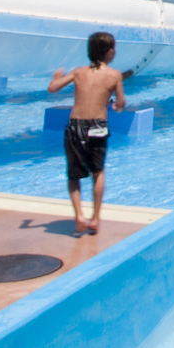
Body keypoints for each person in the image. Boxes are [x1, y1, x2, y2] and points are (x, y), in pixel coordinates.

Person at [48, 31, 130, 236]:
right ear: (109, 52)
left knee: (74, 175)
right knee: (98, 171)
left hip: (76, 125)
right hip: (98, 126)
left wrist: (57, 77)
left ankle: (79, 217)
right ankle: (95, 219)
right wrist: (116, 107)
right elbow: (120, 103)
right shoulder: (114, 75)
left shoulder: (78, 72)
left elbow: (52, 88)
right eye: (114, 48)